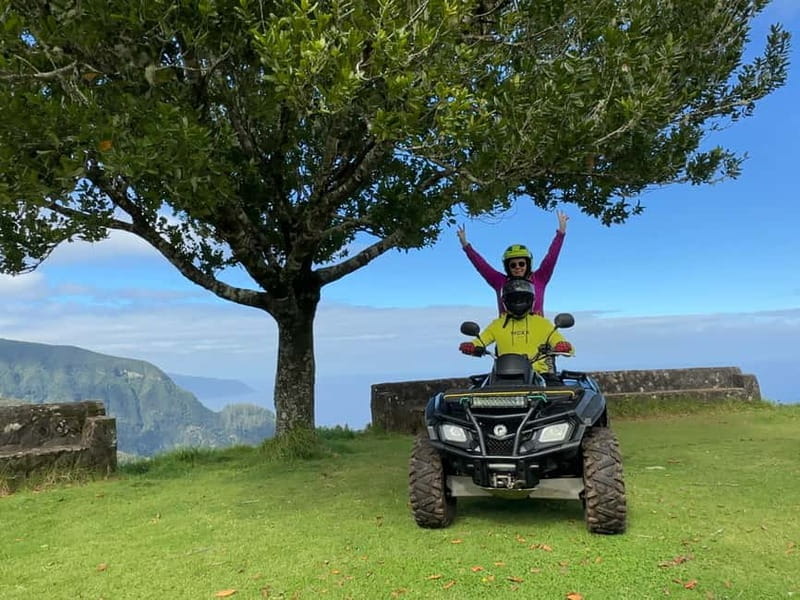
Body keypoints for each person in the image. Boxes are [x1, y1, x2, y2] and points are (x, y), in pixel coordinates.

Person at [457, 211, 568, 316]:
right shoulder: (499, 281)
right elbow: (481, 266)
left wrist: (561, 233)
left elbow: (551, 257)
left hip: (537, 333)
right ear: (508, 267)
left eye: (521, 263)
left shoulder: (540, 278)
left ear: (528, 264)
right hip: (505, 333)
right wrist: (466, 246)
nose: (518, 267)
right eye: (513, 265)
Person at [458, 279, 573, 373]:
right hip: (504, 375)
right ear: (506, 301)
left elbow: (562, 343)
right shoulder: (497, 324)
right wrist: (471, 346)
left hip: (541, 375)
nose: (518, 302)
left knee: (561, 399)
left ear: (531, 300)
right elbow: (480, 341)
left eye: (522, 299)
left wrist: (563, 346)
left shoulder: (542, 323)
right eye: (514, 299)